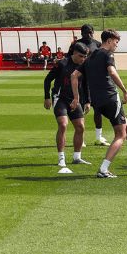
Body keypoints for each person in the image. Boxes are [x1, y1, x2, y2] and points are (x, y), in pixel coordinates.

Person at [72, 29, 127, 178]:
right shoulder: (107, 54)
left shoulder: (90, 57)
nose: (116, 45)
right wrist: (125, 90)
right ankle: (103, 169)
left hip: (97, 102)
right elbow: (112, 72)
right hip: (111, 98)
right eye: (116, 42)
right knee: (121, 134)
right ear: (108, 41)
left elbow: (74, 76)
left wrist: (76, 97)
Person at [44, 43, 89, 173]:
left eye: (85, 56)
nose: (83, 59)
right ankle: (61, 158)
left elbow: (86, 84)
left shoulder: (84, 66)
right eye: (81, 56)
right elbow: (48, 80)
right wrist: (47, 97)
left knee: (80, 127)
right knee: (63, 125)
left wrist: (88, 101)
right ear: (74, 53)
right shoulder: (62, 63)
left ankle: (77, 157)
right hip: (60, 98)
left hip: (75, 100)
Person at [76, 24, 108, 146]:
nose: (88, 35)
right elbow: (71, 59)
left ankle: (98, 137)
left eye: (90, 32)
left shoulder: (98, 44)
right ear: (81, 33)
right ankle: (81, 139)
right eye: (85, 33)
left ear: (93, 32)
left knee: (98, 109)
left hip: (94, 81)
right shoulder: (76, 45)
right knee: (80, 109)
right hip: (80, 80)